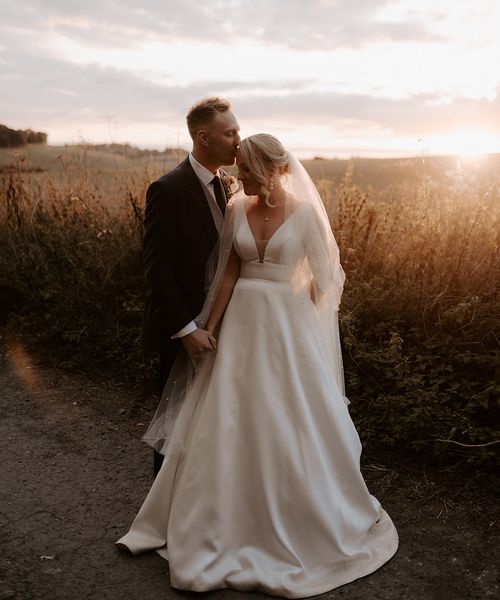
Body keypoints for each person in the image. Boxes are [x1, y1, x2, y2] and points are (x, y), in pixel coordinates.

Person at [117, 134, 399, 597]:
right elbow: (228, 271)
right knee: (227, 414)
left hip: (287, 331)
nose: (237, 174)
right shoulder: (236, 208)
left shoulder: (306, 214)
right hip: (240, 325)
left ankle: (297, 514)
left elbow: (325, 281)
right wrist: (206, 326)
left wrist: (304, 322)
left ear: (269, 168)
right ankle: (216, 515)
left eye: (245, 168)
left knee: (290, 414)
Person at [141, 97, 240, 475]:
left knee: (215, 419)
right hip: (182, 329)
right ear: (203, 137)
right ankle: (161, 513)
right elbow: (157, 272)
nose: (237, 140)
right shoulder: (167, 189)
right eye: (230, 132)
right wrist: (186, 331)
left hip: (221, 326)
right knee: (175, 422)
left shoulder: (228, 185)